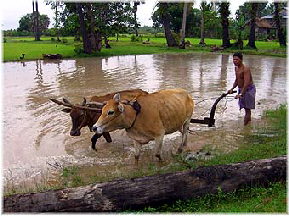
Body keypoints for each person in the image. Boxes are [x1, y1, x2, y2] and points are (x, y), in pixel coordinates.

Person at [227, 52, 256, 125]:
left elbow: (246, 83)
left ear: (241, 60)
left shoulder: (246, 69)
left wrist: (241, 94)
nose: (234, 61)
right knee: (245, 108)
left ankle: (245, 128)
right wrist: (232, 88)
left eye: (236, 59)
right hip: (241, 89)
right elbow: (237, 80)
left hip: (248, 90)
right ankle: (248, 124)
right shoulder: (236, 68)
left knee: (247, 110)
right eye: (233, 59)